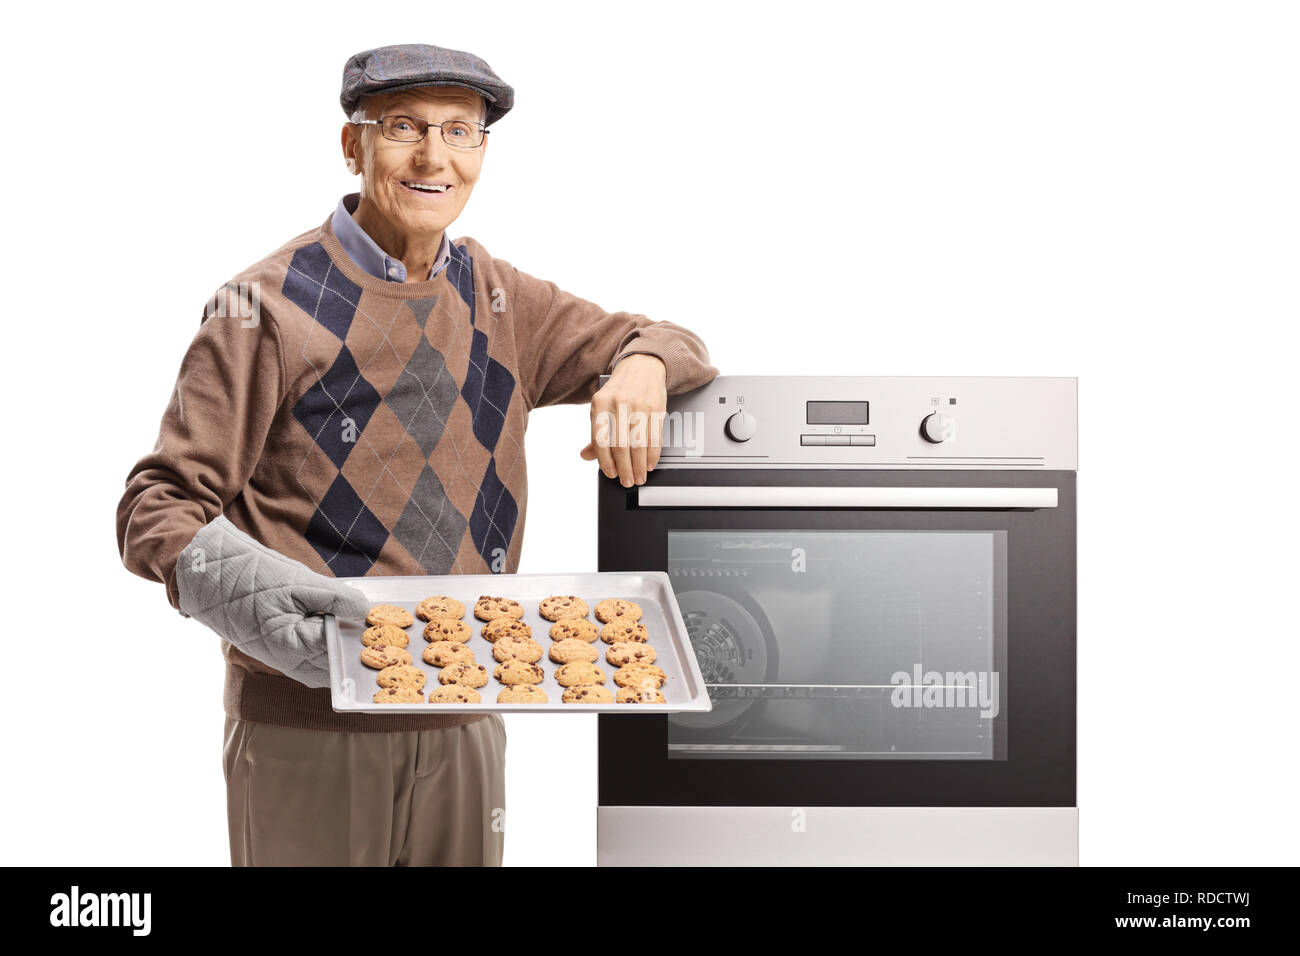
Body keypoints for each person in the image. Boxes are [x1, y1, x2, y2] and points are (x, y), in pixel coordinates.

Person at [114, 42, 718, 866]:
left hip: (470, 720)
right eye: (403, 127)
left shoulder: (500, 298)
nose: (436, 157)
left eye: (461, 132)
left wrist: (644, 365)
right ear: (352, 144)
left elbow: (672, 339)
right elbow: (156, 509)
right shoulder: (260, 308)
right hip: (306, 736)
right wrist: (288, 623)